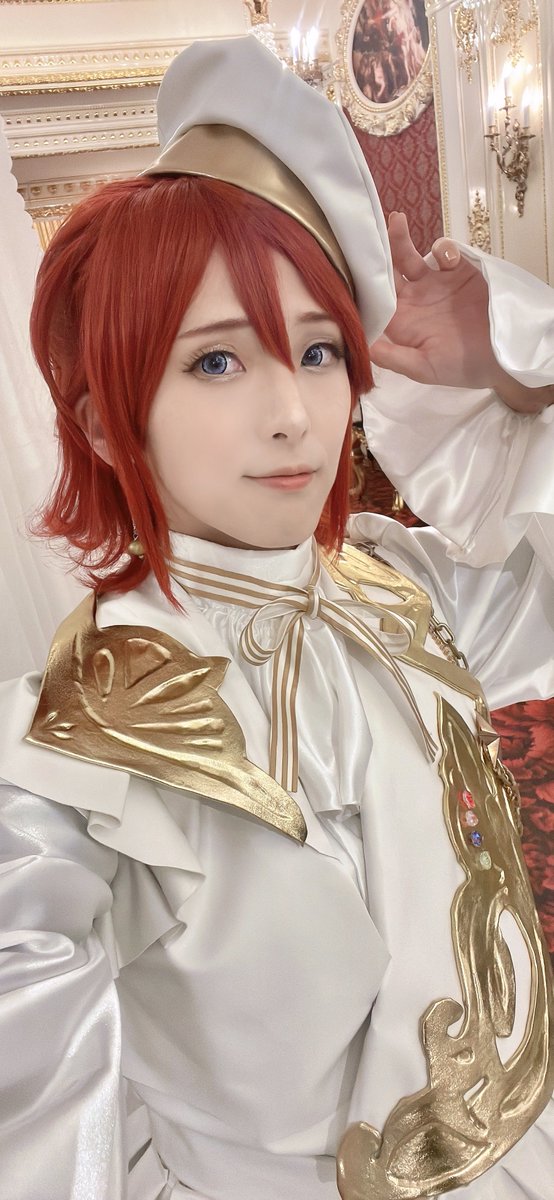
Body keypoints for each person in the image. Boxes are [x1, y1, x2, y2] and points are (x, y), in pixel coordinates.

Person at [0, 34, 553, 1200]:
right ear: (106, 422)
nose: (295, 415)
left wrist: (513, 365)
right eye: (216, 363)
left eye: (315, 351)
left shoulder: (404, 588)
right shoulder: (64, 747)